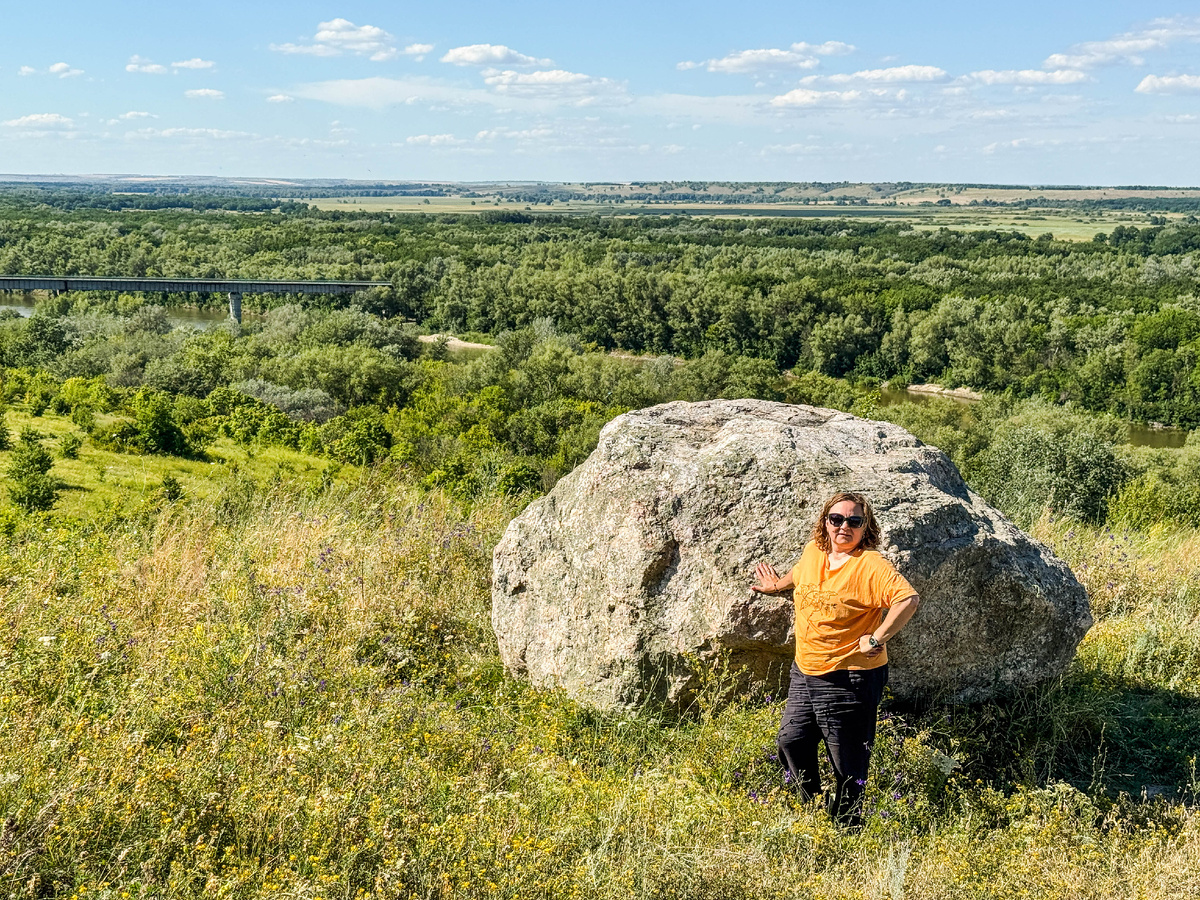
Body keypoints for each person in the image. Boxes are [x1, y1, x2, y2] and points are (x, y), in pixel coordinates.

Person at [751, 491, 919, 829]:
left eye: (854, 521)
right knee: (791, 740)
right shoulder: (816, 552)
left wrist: (876, 638)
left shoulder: (869, 565)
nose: (844, 527)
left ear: (865, 527)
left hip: (850, 674)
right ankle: (812, 808)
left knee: (847, 761)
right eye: (836, 519)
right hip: (806, 669)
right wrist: (777, 585)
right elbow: (801, 575)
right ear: (825, 522)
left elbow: (907, 599)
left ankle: (847, 827)